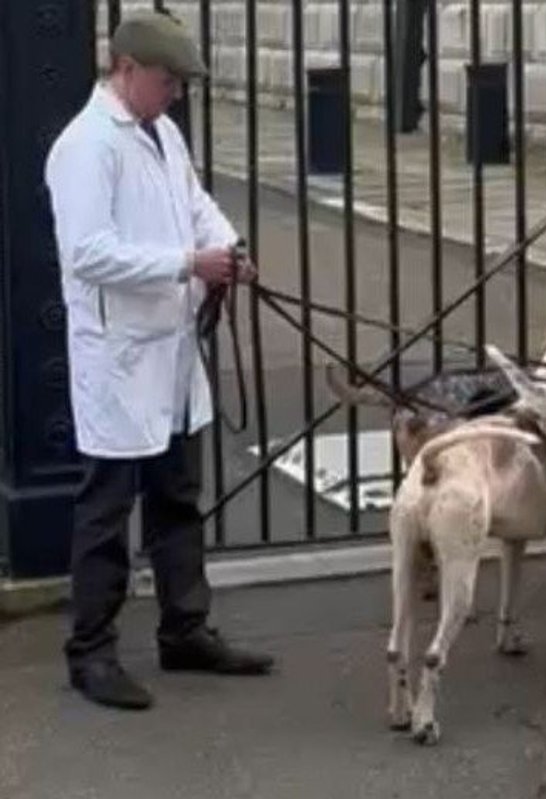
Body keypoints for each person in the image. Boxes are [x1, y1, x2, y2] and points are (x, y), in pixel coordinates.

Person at [44, 10, 273, 710]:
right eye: (168, 79)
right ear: (127, 70)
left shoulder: (163, 133)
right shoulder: (85, 145)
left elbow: (195, 205)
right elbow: (88, 251)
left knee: (178, 497)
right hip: (119, 356)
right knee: (107, 509)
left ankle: (186, 628)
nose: (175, 92)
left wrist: (226, 250)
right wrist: (186, 263)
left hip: (170, 350)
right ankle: (91, 651)